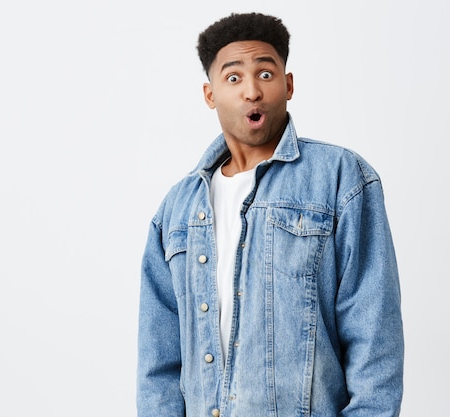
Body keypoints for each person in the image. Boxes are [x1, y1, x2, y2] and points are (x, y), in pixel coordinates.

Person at [137, 12, 404, 417]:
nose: (251, 91)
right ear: (210, 94)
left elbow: (374, 339)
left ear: (288, 85)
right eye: (233, 78)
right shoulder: (176, 211)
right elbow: (158, 363)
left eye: (265, 74)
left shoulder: (340, 179)